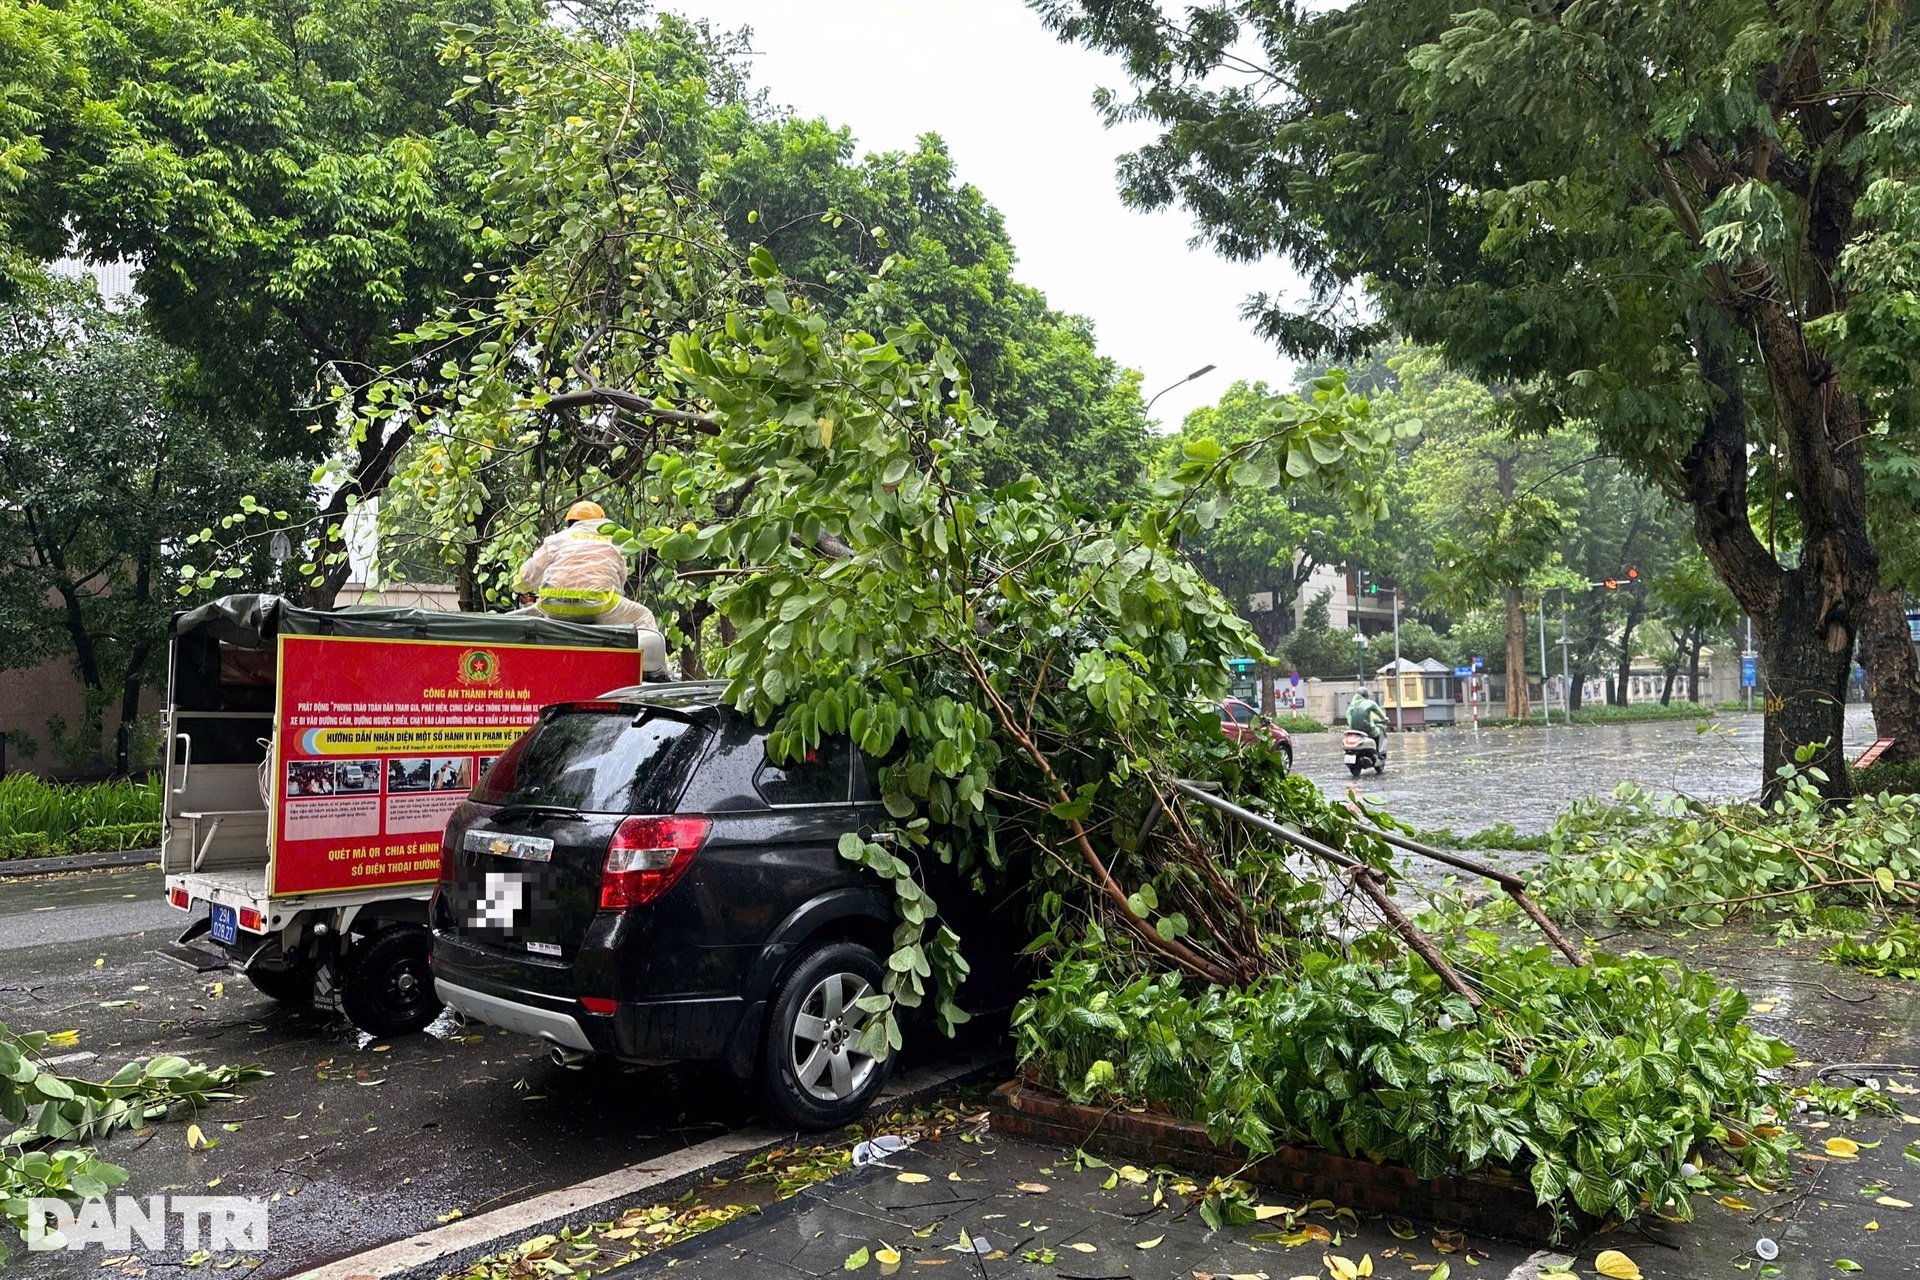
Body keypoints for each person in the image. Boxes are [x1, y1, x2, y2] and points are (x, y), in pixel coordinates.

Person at [514, 499, 657, 628]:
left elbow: (527, 575)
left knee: (518, 620)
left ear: (570, 522)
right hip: (599, 607)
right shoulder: (612, 543)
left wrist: (519, 587)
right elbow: (620, 582)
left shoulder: (556, 540)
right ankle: (645, 658)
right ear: (601, 522)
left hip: (553, 606)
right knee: (644, 616)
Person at [1346, 688, 1388, 754]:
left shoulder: (1351, 706)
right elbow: (1380, 714)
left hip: (1353, 730)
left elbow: (1348, 717)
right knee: (1378, 733)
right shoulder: (1370, 703)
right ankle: (1377, 752)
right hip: (1367, 729)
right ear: (1365, 695)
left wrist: (1351, 726)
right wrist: (1385, 719)